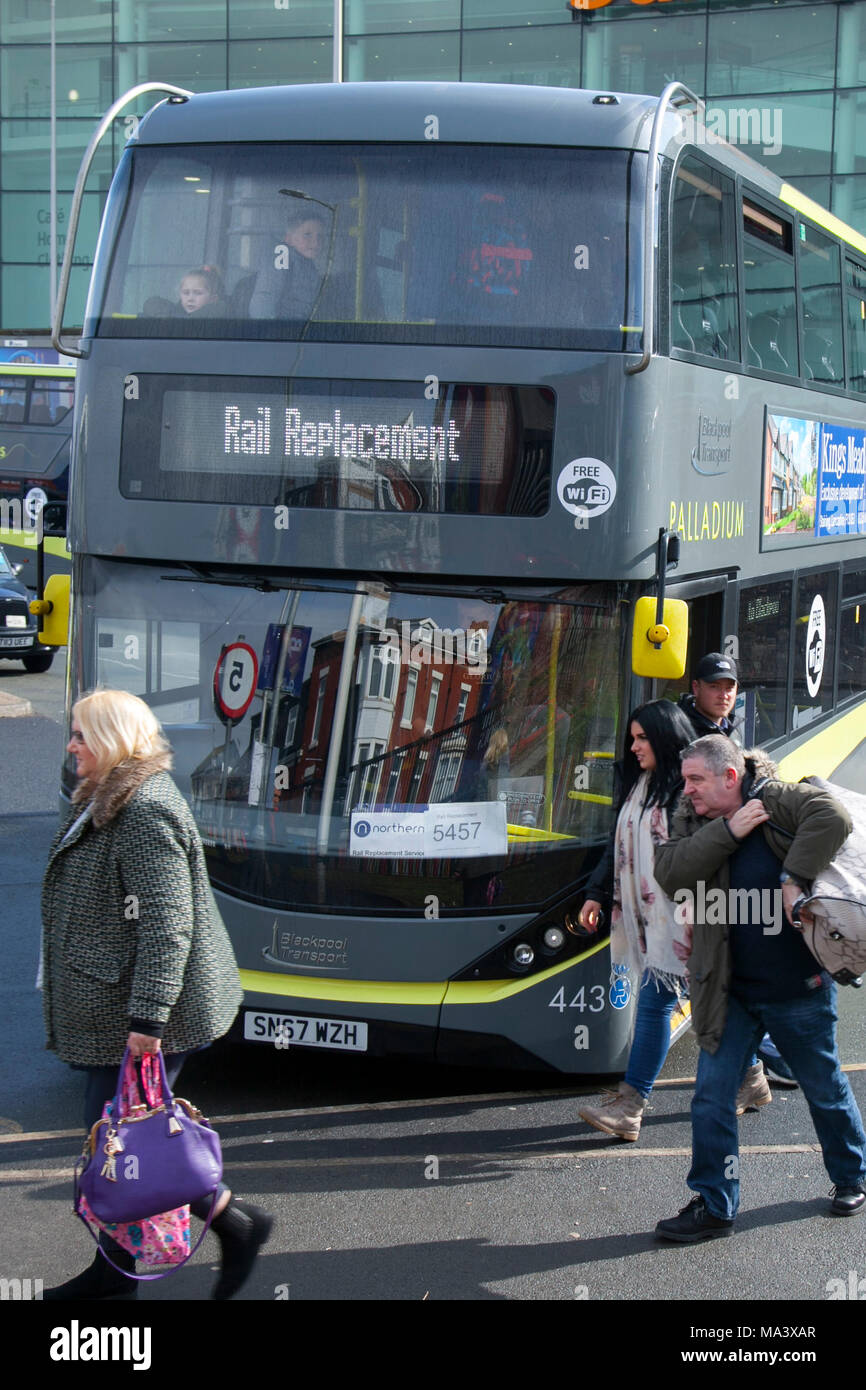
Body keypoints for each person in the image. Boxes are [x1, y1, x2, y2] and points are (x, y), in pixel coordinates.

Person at [41, 689, 272, 1299]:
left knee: (118, 1138)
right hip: (115, 1002)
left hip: (144, 1010)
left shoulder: (143, 807)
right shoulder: (106, 796)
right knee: (119, 1139)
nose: (71, 745)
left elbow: (169, 923)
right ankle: (222, 1227)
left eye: (81, 735)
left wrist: (149, 1019)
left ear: (114, 739)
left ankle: (123, 1278)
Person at [653, 735, 866, 1242]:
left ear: (731, 777)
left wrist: (793, 877)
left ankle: (853, 1175)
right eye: (686, 780)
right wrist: (727, 830)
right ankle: (714, 1203)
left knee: (823, 1087)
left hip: (797, 986)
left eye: (697, 780)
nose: (689, 790)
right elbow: (669, 872)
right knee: (710, 1098)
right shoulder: (695, 817)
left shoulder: (775, 798)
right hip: (729, 991)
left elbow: (833, 818)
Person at [577, 700, 696, 1141]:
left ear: (665, 737)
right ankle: (752, 1077)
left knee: (656, 1003)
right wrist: (596, 893)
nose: (633, 746)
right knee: (705, 1005)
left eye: (643, 737)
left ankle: (630, 1106)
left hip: (686, 920)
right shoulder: (641, 783)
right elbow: (618, 845)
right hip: (646, 918)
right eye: (632, 737)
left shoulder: (689, 785)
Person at [682, 652, 798, 1100]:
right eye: (715, 686)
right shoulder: (689, 735)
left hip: (723, 872)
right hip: (706, 866)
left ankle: (750, 1072)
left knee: (723, 975)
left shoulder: (727, 730)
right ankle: (753, 1070)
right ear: (696, 688)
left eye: (730, 686)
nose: (724, 693)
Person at [249, 208, 327, 321]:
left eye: (320, 236)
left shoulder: (307, 265)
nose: (316, 242)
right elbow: (264, 301)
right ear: (289, 239)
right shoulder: (281, 259)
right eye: (307, 235)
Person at [678, 650, 740, 742]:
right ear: (696, 687)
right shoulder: (678, 730)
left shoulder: (733, 730)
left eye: (729, 688)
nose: (723, 696)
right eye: (714, 687)